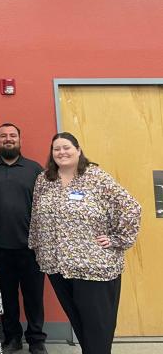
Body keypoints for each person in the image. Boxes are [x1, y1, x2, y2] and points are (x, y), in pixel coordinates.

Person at [29, 133, 140, 354]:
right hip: (57, 265)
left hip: (93, 266)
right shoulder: (44, 180)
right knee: (80, 324)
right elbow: (35, 215)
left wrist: (118, 239)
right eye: (56, 149)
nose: (62, 152)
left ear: (78, 150)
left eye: (67, 147)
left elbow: (131, 207)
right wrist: (37, 246)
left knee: (97, 328)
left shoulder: (96, 177)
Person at [0, 123, 47, 354]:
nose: (8, 139)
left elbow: (44, 207)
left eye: (13, 136)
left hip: (31, 248)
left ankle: (36, 340)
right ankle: (12, 338)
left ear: (19, 139)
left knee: (34, 298)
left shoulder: (35, 169)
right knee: (7, 298)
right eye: (3, 136)